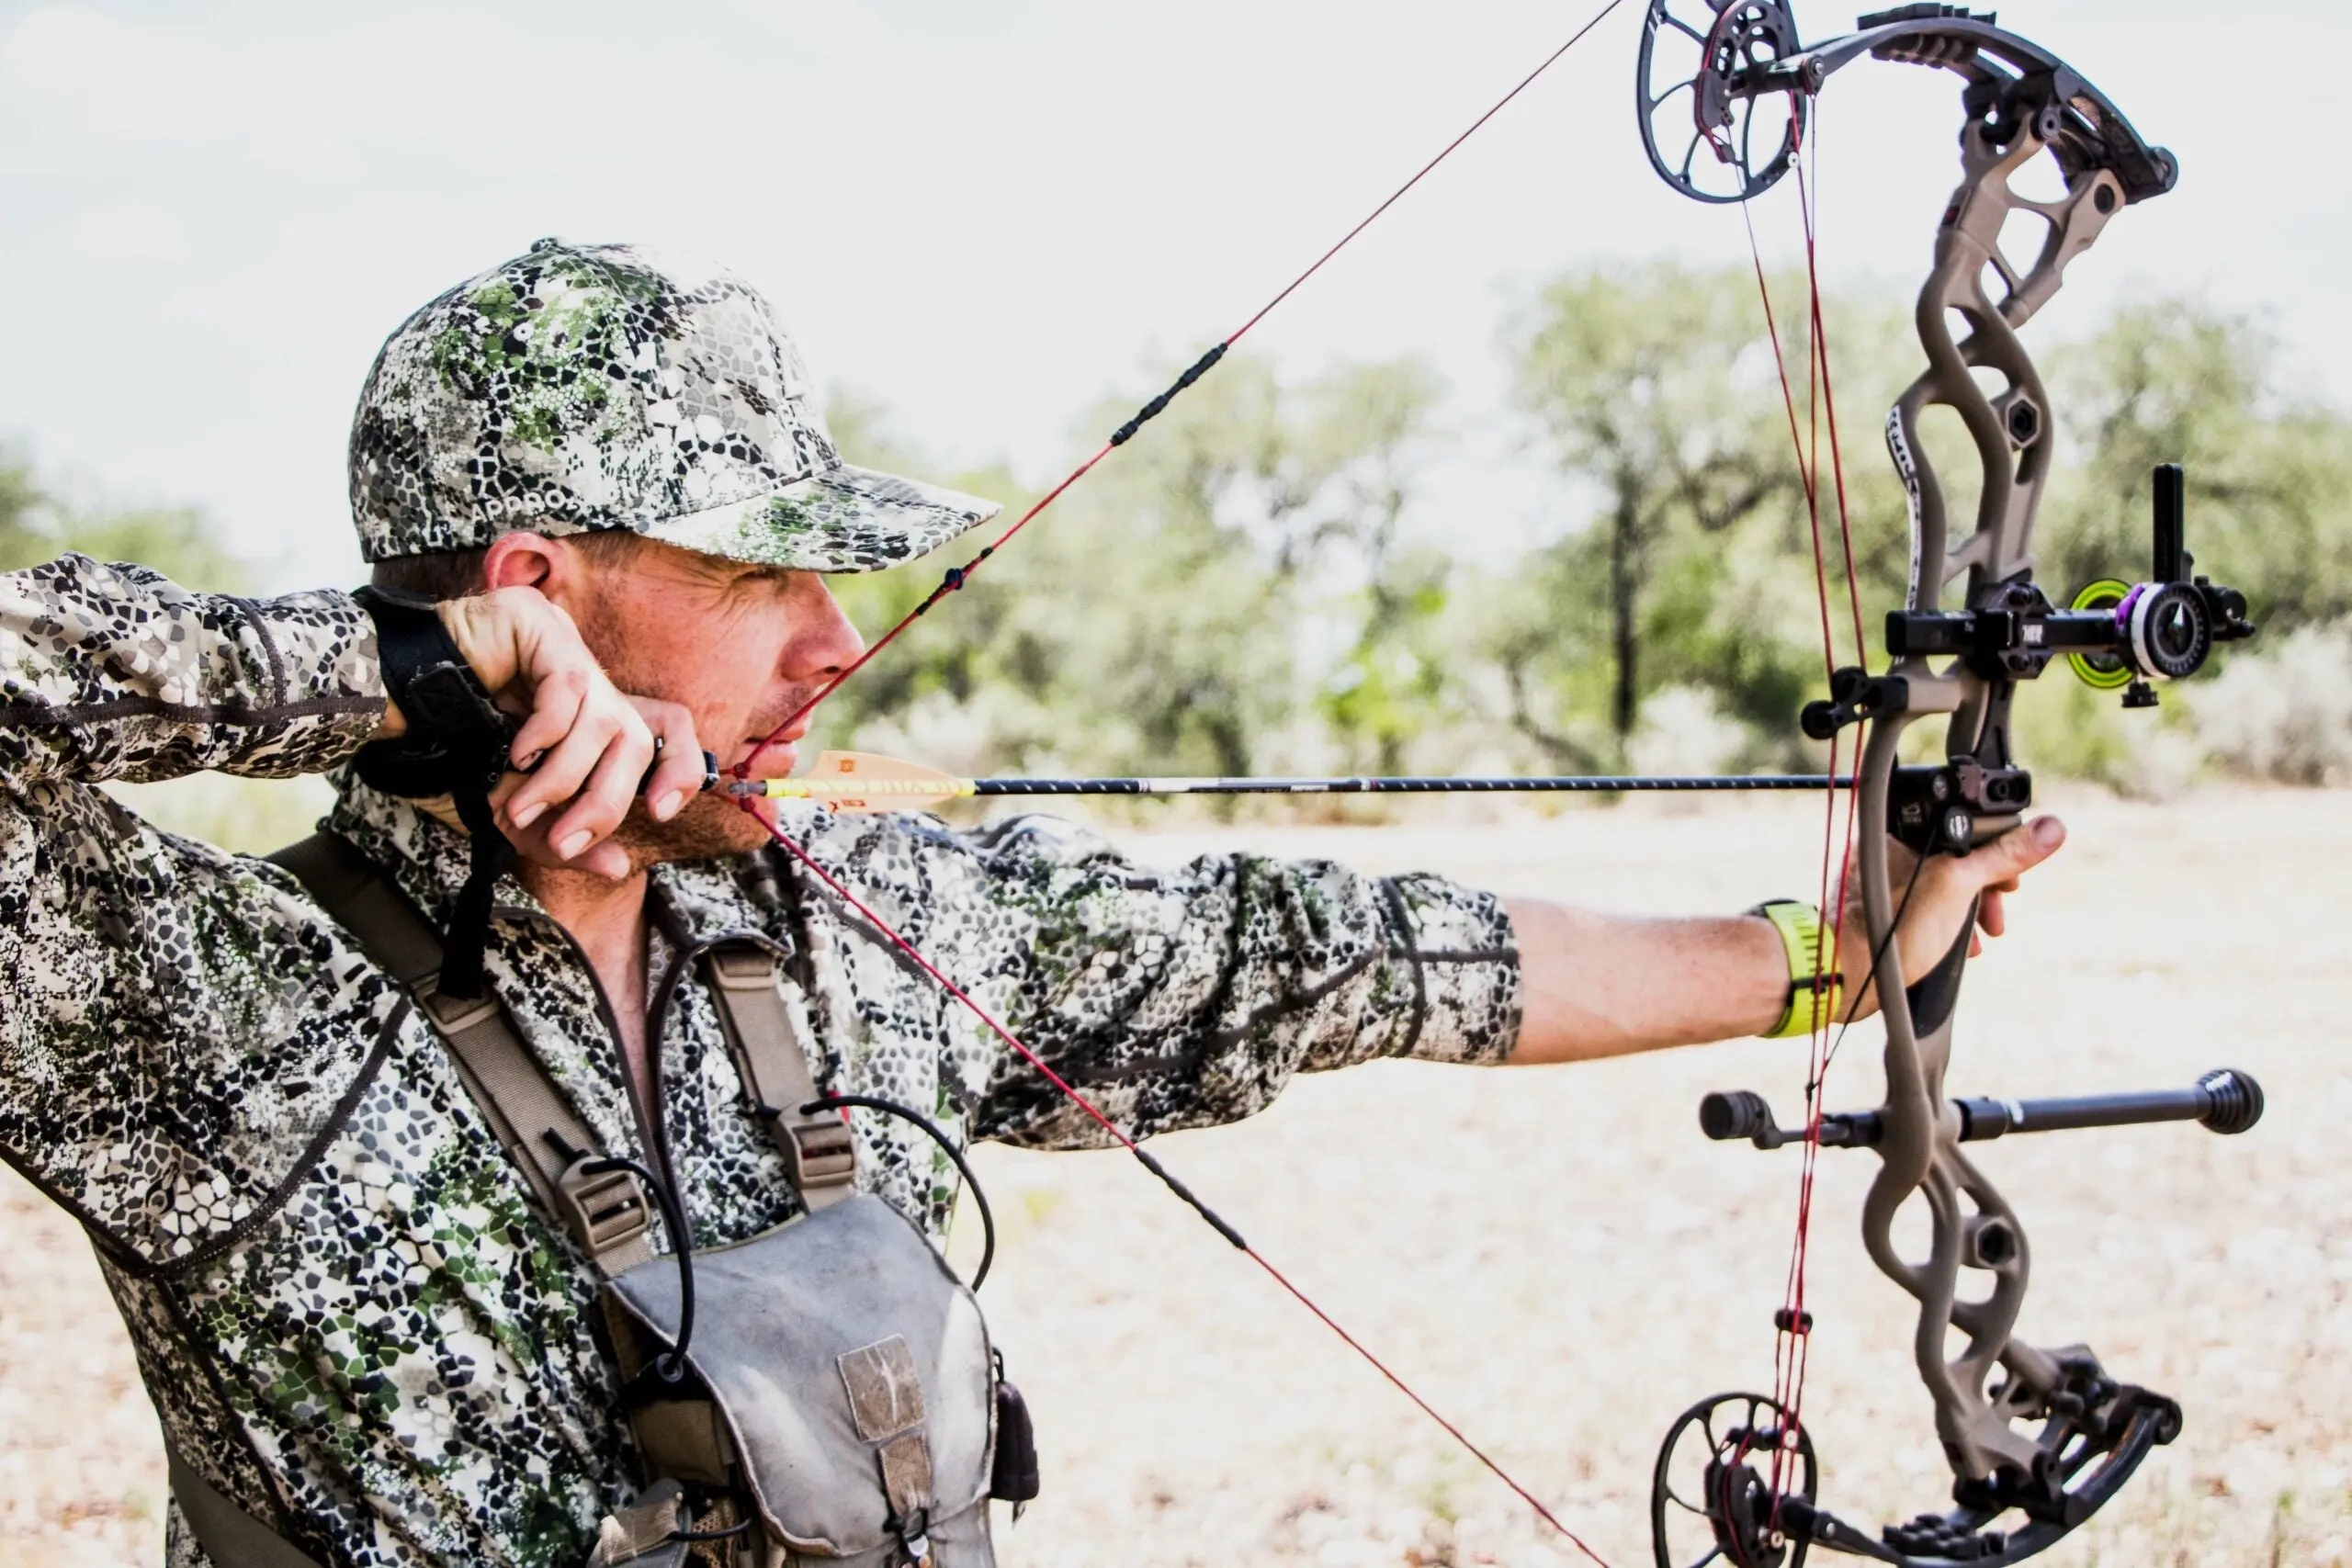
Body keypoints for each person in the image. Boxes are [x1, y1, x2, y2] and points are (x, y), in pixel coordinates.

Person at [0, 240, 2063, 1568]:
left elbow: (1325, 955)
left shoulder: (842, 923)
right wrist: (395, 677)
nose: (831, 638)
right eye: (752, 578)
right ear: (538, 594)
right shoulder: (198, 1003)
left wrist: (1833, 956)